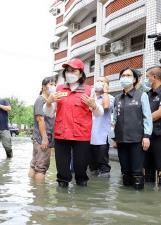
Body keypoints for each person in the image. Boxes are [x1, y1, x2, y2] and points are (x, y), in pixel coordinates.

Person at [44, 58, 103, 187]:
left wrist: (94, 105)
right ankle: (62, 197)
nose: (69, 74)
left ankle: (81, 196)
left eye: (73, 71)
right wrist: (48, 102)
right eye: (67, 71)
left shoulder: (89, 90)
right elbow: (49, 113)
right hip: (61, 134)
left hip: (81, 135)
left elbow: (99, 114)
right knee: (62, 171)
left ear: (81, 73)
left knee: (81, 168)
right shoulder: (58, 89)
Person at [113, 67, 152, 190]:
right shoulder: (117, 98)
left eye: (129, 75)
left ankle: (137, 199)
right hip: (121, 140)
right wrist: (115, 138)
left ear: (134, 79)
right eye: (123, 75)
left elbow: (147, 117)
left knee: (137, 170)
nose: (125, 77)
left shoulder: (142, 95)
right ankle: (124, 202)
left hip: (137, 140)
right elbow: (115, 119)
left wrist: (146, 136)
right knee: (125, 170)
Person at [29, 76, 56, 181]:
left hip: (39, 138)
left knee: (34, 164)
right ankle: (40, 194)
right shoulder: (41, 100)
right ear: (44, 87)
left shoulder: (47, 100)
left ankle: (32, 187)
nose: (53, 87)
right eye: (51, 84)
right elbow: (40, 119)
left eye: (54, 84)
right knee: (41, 168)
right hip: (42, 138)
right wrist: (45, 139)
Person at [89, 76, 114, 178]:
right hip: (88, 136)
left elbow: (106, 107)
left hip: (101, 137)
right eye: (97, 81)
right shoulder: (90, 96)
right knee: (91, 166)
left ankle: (103, 190)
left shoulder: (111, 98)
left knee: (103, 166)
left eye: (102, 82)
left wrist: (105, 92)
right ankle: (93, 189)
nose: (98, 83)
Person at [143, 66, 161, 184]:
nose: (146, 80)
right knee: (147, 169)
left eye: (147, 77)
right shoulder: (148, 94)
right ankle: (147, 199)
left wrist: (143, 120)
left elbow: (160, 113)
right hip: (147, 136)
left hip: (159, 136)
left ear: (154, 77)